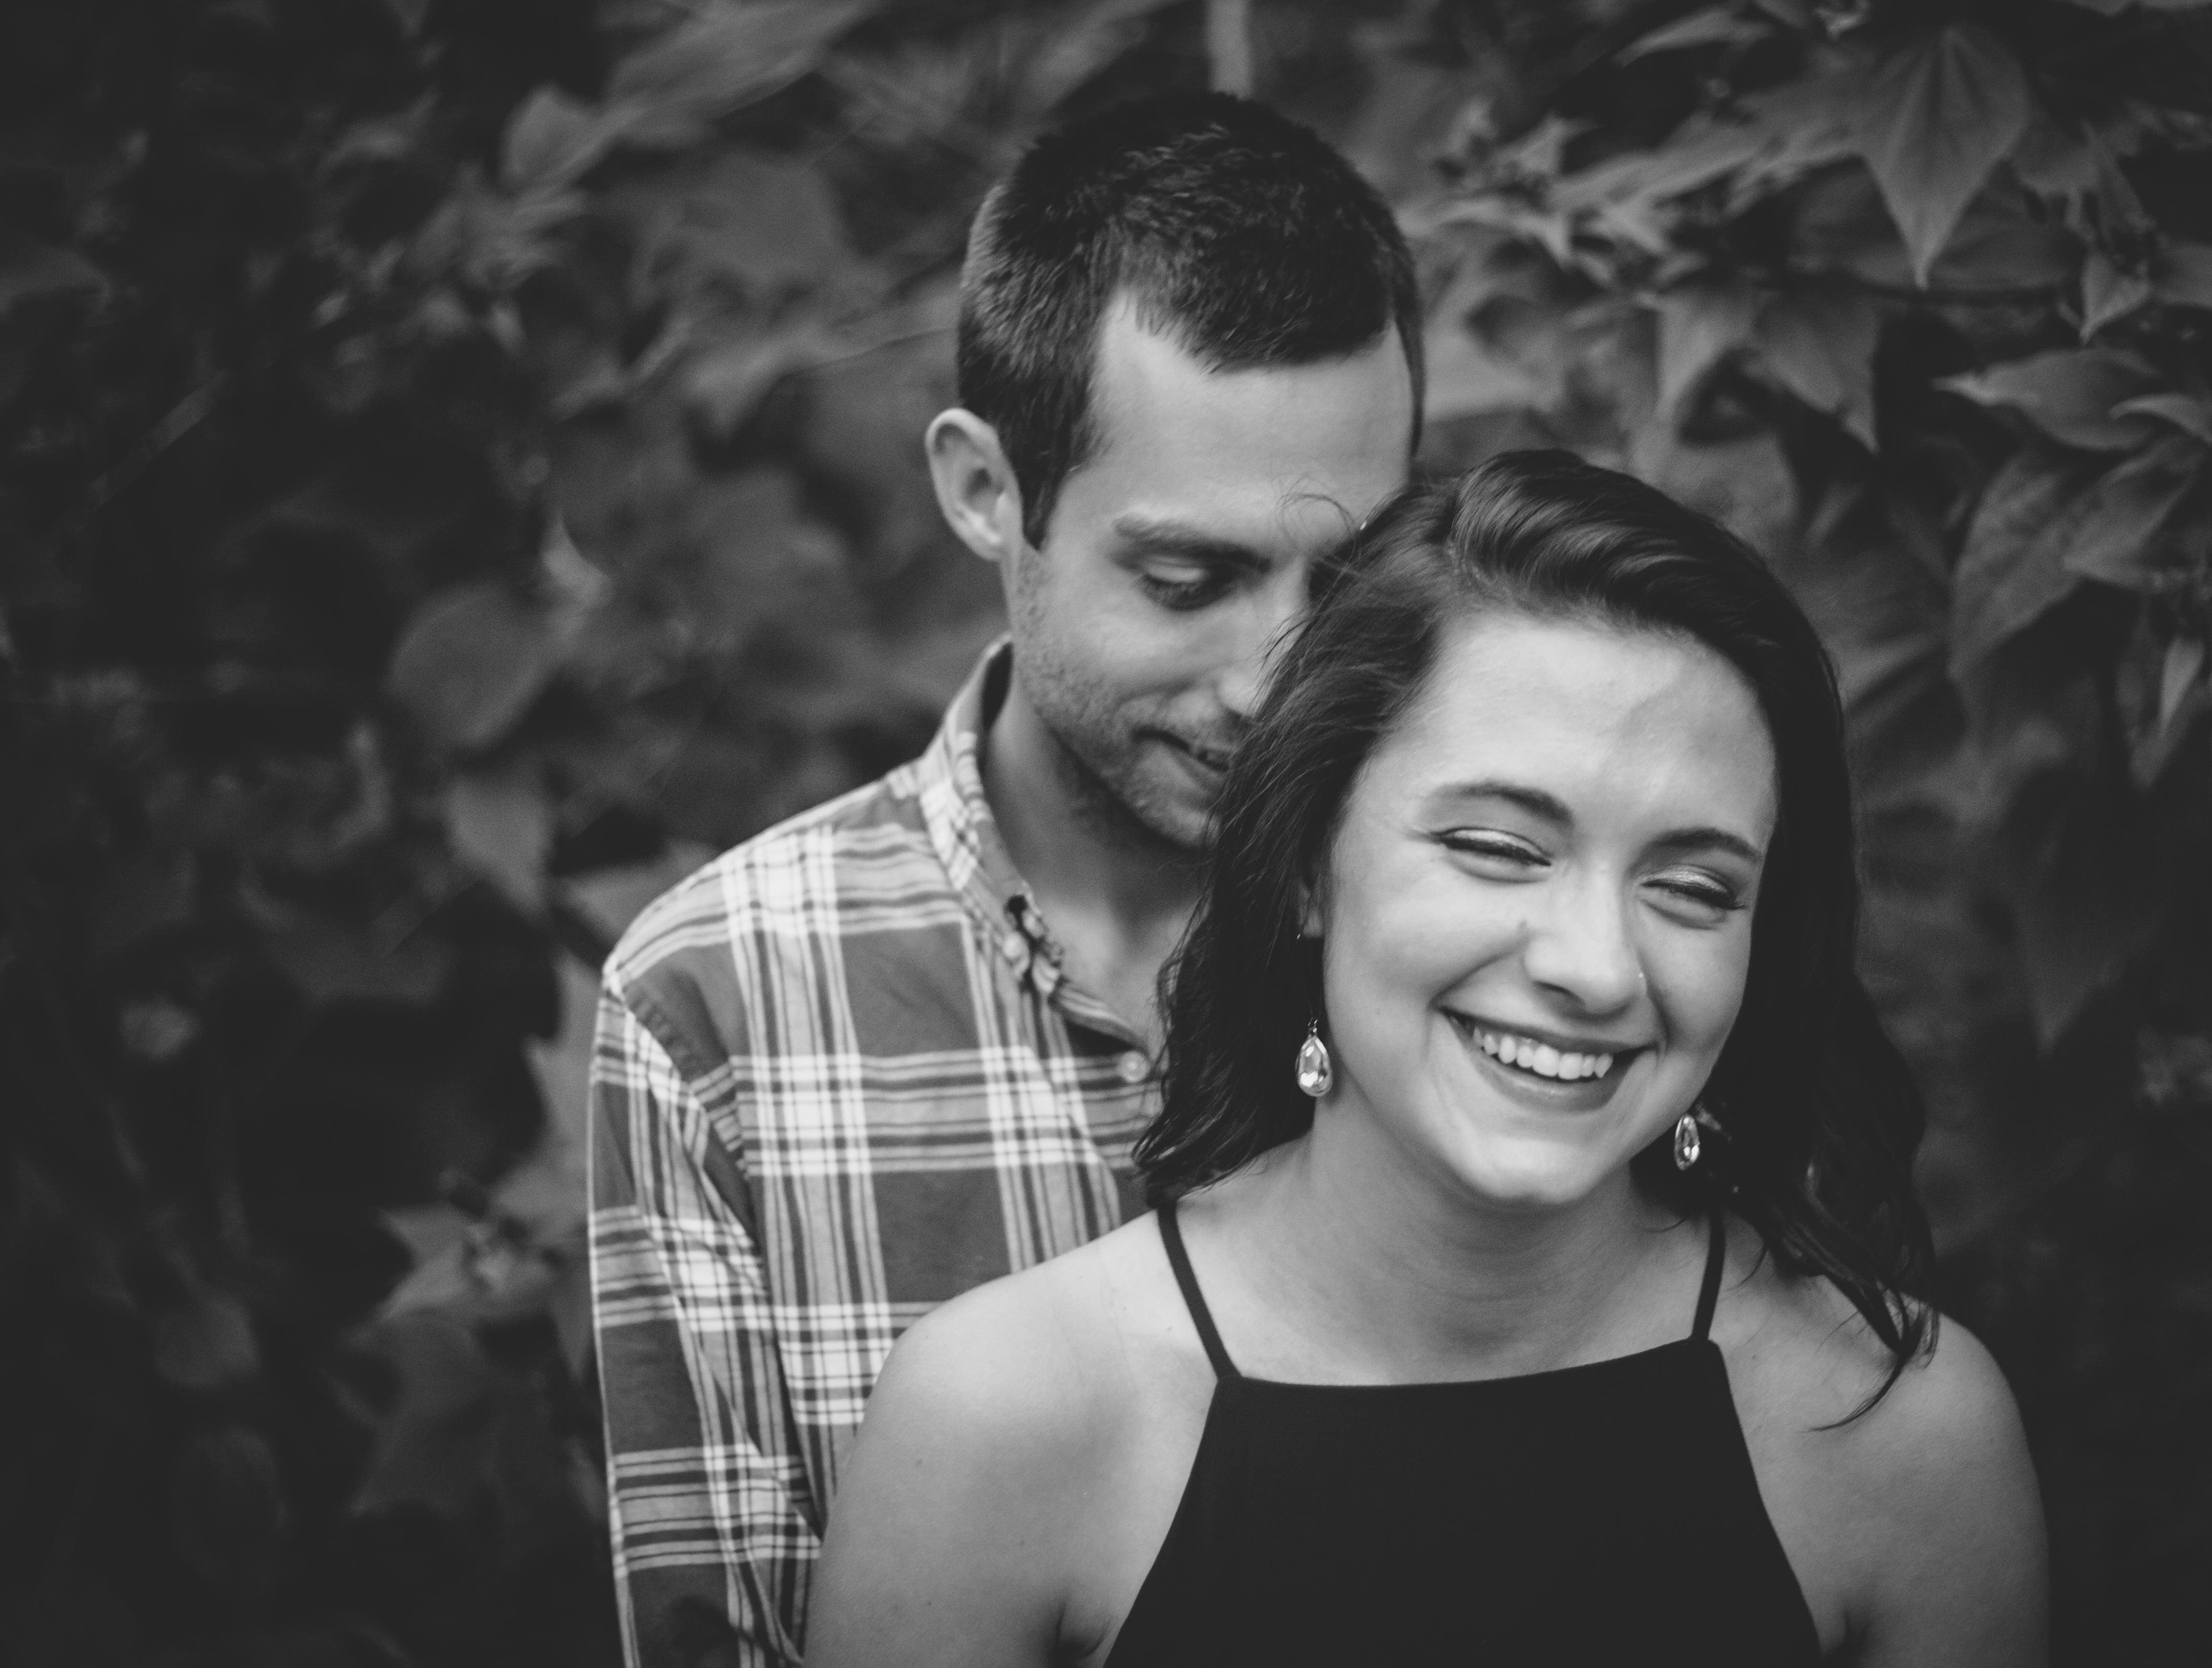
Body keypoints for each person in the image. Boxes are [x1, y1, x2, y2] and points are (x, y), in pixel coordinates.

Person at [806, 453, 2050, 1666]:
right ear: (1307, 864)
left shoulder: (1903, 1438)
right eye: (1499, 848)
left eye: (1692, 887)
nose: (1597, 968)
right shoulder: (1001, 1424)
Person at [585, 94, 1422, 1668]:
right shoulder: (721, 1007)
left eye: (1353, 575)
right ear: (985, 491)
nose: (1279, 678)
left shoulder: (1473, 929)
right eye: (1188, 578)